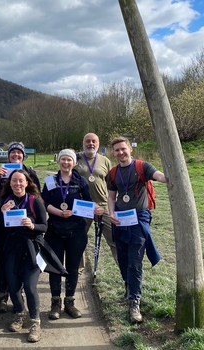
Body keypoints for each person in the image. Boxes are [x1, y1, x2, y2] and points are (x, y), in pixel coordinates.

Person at [0, 169, 65, 343]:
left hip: (32, 248)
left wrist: (32, 225)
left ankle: (35, 322)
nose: (18, 184)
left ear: (27, 183)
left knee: (29, 286)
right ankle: (20, 314)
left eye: (21, 181)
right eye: (14, 181)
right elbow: (0, 228)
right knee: (13, 287)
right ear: (10, 183)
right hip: (12, 248)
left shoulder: (36, 202)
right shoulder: (5, 202)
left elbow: (45, 227)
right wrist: (1, 214)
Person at [107, 136, 165, 324]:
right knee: (122, 259)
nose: (120, 153)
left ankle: (134, 302)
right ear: (113, 153)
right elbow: (111, 196)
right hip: (120, 220)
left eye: (123, 149)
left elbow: (159, 176)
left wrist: (170, 175)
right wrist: (111, 213)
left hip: (139, 218)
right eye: (117, 150)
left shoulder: (143, 166)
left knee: (134, 261)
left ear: (130, 149)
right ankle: (128, 287)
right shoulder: (113, 172)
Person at [42, 149, 103, 320]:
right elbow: (44, 201)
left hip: (76, 230)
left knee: (72, 267)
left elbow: (88, 202)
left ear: (74, 163)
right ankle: (55, 303)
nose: (66, 163)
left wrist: (95, 209)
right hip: (55, 229)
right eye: (63, 160)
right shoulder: (50, 180)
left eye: (69, 160)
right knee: (54, 266)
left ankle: (70, 301)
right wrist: (58, 212)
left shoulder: (81, 181)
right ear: (58, 162)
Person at [0, 141, 41, 314]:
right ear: (8, 155)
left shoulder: (30, 173)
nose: (16, 155)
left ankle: (20, 298)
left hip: (27, 230)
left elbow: (36, 194)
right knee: (2, 262)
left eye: (19, 153)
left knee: (22, 264)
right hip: (6, 227)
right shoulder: (2, 172)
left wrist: (33, 221)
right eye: (13, 153)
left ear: (23, 155)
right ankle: (2, 296)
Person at [75, 133, 118, 269]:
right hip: (83, 205)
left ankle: (125, 272)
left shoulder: (105, 160)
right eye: (88, 141)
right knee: (78, 240)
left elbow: (111, 184)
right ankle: (77, 270)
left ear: (98, 144)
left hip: (103, 205)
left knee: (114, 240)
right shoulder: (76, 158)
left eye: (94, 141)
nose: (91, 144)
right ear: (83, 143)